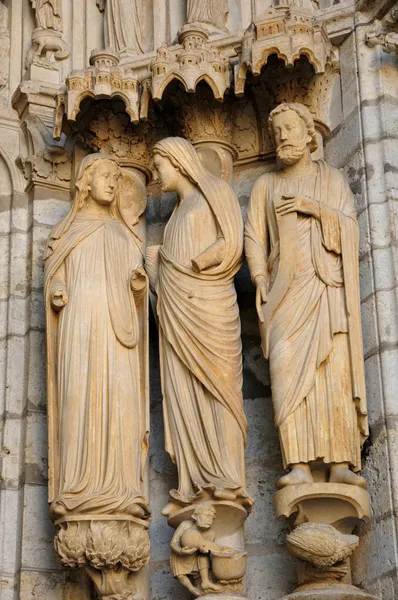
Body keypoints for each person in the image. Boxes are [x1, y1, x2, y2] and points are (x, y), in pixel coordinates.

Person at [245, 103, 368, 489]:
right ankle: (297, 462)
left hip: (325, 288)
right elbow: (254, 237)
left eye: (288, 128)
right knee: (284, 368)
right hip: (284, 293)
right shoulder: (266, 185)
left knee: (333, 371)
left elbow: (350, 228)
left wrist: (312, 208)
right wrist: (260, 276)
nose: (281, 136)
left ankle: (340, 462)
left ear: (308, 134)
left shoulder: (330, 180)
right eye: (276, 130)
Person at [148, 137, 252, 514]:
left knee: (219, 387)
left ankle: (225, 476)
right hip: (178, 314)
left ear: (178, 162)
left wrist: (196, 265)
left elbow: (231, 246)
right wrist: (155, 270)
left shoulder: (215, 192)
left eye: (159, 165)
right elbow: (168, 273)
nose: (155, 173)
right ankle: (195, 480)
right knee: (185, 391)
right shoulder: (176, 213)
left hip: (210, 308)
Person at [44, 153, 150, 519]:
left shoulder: (126, 233)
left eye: (116, 177)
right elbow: (55, 275)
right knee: (79, 398)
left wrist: (138, 288)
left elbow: (138, 292)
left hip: (116, 332)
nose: (111, 182)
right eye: (105, 175)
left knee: (121, 401)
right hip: (79, 325)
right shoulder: (67, 231)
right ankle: (77, 484)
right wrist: (56, 290)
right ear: (85, 181)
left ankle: (122, 487)